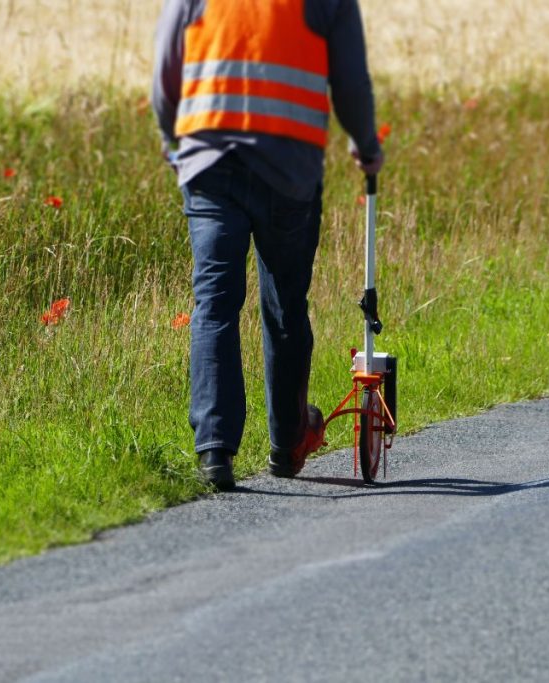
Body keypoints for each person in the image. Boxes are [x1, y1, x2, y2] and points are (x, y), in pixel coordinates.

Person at [152, 0, 384, 490]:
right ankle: (287, 441)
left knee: (214, 303)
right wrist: (365, 143)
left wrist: (175, 145)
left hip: (210, 165)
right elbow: (350, 82)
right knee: (284, 307)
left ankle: (216, 450)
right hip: (289, 169)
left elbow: (165, 76)